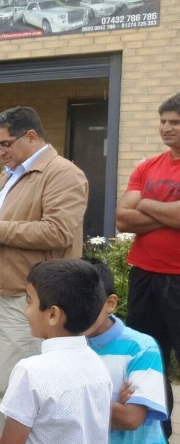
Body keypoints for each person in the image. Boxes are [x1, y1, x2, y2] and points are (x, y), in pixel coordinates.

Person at [0, 106, 89, 429]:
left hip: (28, 297)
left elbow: (59, 231)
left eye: (6, 144)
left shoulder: (63, 173)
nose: (1, 152)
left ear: (31, 136)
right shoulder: (10, 173)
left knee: (15, 386)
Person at [116, 92, 180, 439]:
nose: (166, 128)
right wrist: (169, 213)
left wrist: (148, 205)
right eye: (163, 121)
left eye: (175, 122)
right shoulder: (148, 166)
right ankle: (161, 432)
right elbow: (122, 218)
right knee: (149, 359)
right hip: (144, 274)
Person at [0, 259, 111, 444]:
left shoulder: (30, 371)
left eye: (29, 300)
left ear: (53, 314)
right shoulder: (98, 364)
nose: (25, 308)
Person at [85, 259, 168, 444]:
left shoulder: (141, 347)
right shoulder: (69, 345)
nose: (77, 312)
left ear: (110, 303)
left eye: (86, 303)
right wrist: (112, 405)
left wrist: (68, 401)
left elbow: (131, 418)